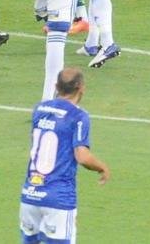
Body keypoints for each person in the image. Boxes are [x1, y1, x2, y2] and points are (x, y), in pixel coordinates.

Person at [20, 67, 110, 244]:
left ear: (56, 86)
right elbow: (82, 156)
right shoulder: (78, 116)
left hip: (30, 194)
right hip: (59, 197)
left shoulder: (39, 109)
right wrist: (102, 167)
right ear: (81, 88)